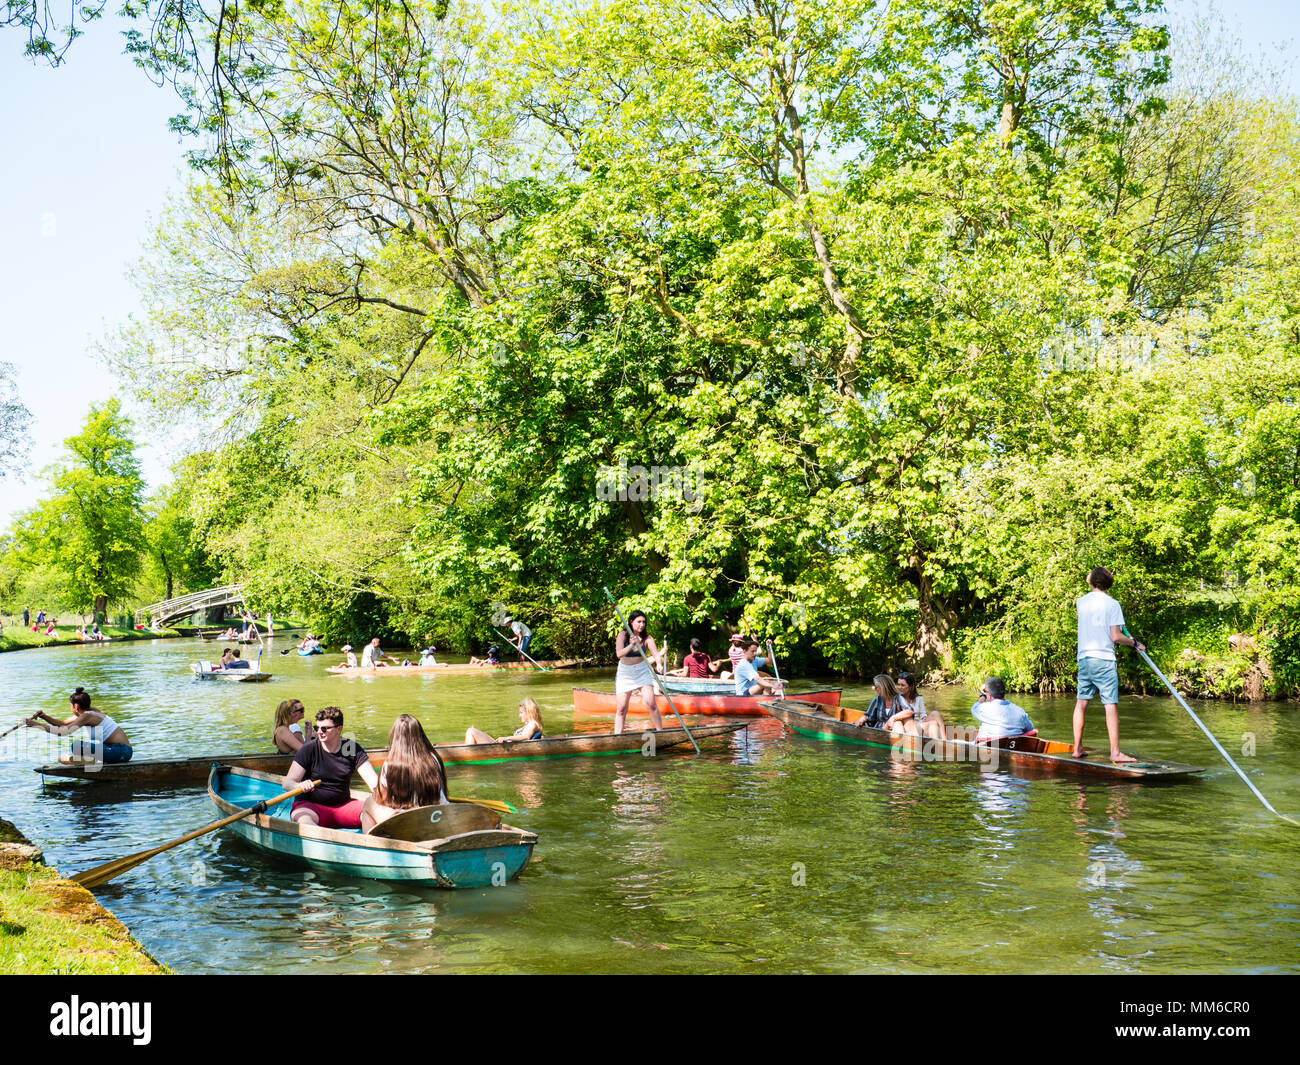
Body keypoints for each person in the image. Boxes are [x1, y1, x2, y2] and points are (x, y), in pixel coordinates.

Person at [1073, 566, 1143, 762]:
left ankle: (1077, 748)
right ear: (1108, 583)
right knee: (1110, 704)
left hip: (1084, 658)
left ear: (1091, 581)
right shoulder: (1113, 604)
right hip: (1103, 660)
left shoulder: (1080, 602)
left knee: (1081, 703)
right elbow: (1115, 636)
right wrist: (1135, 643)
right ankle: (1115, 752)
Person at [282, 706, 379, 828]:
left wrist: (382, 797)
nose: (319, 732)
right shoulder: (308, 749)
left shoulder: (351, 748)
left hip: (344, 806)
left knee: (376, 809)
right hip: (311, 807)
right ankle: (319, 840)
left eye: (325, 728)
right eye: (317, 728)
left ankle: (370, 843)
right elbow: (287, 783)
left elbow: (373, 781)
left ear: (339, 729)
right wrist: (299, 785)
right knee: (303, 819)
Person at [361, 715, 450, 834]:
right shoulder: (434, 759)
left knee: (369, 803)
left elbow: (381, 798)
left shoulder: (390, 764)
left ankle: (371, 844)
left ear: (396, 737)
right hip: (436, 816)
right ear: (420, 735)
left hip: (406, 823)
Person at [24, 687, 133, 765]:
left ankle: (91, 762)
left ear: (75, 706)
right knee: (78, 747)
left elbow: (63, 732)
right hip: (116, 750)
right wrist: (43, 716)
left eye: (70, 706)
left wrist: (36, 725)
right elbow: (62, 723)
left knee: (76, 746)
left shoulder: (87, 716)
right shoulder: (89, 713)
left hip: (121, 751)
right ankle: (91, 761)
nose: (70, 708)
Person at [614, 610, 664, 733]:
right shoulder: (623, 635)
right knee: (621, 708)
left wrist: (659, 663)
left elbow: (656, 654)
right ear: (631, 622)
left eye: (643, 622)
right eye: (639, 622)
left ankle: (661, 732)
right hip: (625, 673)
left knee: (651, 704)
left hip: (642, 671)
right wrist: (631, 645)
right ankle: (617, 736)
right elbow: (619, 654)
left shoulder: (647, 638)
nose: (641, 625)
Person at [889, 672, 947, 740]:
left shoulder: (918, 698)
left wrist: (924, 718)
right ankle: (935, 743)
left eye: (902, 685)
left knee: (935, 713)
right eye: (899, 685)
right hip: (908, 726)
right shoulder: (897, 699)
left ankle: (944, 740)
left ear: (910, 686)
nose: (900, 687)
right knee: (933, 723)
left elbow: (923, 713)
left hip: (919, 723)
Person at [465, 697, 545, 745]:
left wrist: (506, 738)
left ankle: (466, 755)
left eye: (521, 713)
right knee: (473, 731)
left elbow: (525, 737)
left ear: (529, 712)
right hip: (505, 746)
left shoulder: (532, 724)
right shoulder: (529, 725)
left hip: (504, 749)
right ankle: (468, 752)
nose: (519, 715)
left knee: (471, 731)